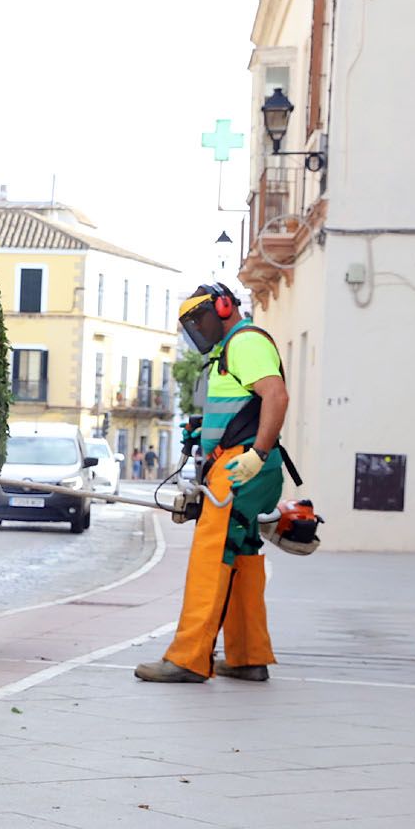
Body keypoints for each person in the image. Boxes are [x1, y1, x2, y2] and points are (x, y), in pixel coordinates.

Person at [136, 283, 287, 684]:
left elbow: (276, 396)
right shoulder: (229, 350)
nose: (197, 331)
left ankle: (187, 659)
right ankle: (247, 657)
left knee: (210, 558)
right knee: (241, 558)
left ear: (223, 308)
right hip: (244, 465)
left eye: (200, 320)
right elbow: (245, 405)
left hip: (241, 467)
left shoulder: (245, 342)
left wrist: (256, 452)